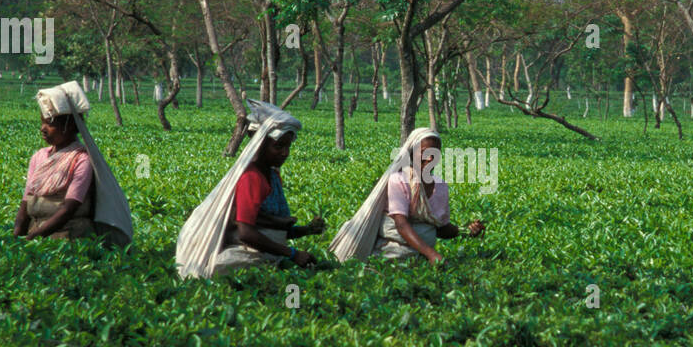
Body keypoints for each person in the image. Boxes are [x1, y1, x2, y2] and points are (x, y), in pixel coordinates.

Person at [175, 101, 324, 277]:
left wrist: (306, 230)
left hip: (267, 253)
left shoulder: (272, 175)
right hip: (244, 250)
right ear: (260, 145)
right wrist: (292, 254)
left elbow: (267, 228)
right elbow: (245, 233)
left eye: (288, 146)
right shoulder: (251, 178)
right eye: (278, 146)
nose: (285, 153)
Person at [329, 129, 485, 265]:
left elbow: (441, 229)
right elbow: (401, 225)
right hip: (392, 257)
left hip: (422, 258)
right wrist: (431, 253)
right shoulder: (399, 180)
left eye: (435, 153)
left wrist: (466, 231)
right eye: (424, 152)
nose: (430, 158)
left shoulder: (440, 186)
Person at [15, 80, 133, 244]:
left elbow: (68, 209)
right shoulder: (39, 157)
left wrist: (33, 237)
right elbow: (26, 202)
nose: (43, 128)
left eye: (50, 124)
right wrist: (17, 234)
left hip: (68, 237)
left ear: (69, 126)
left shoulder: (82, 159)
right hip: (36, 233)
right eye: (42, 122)